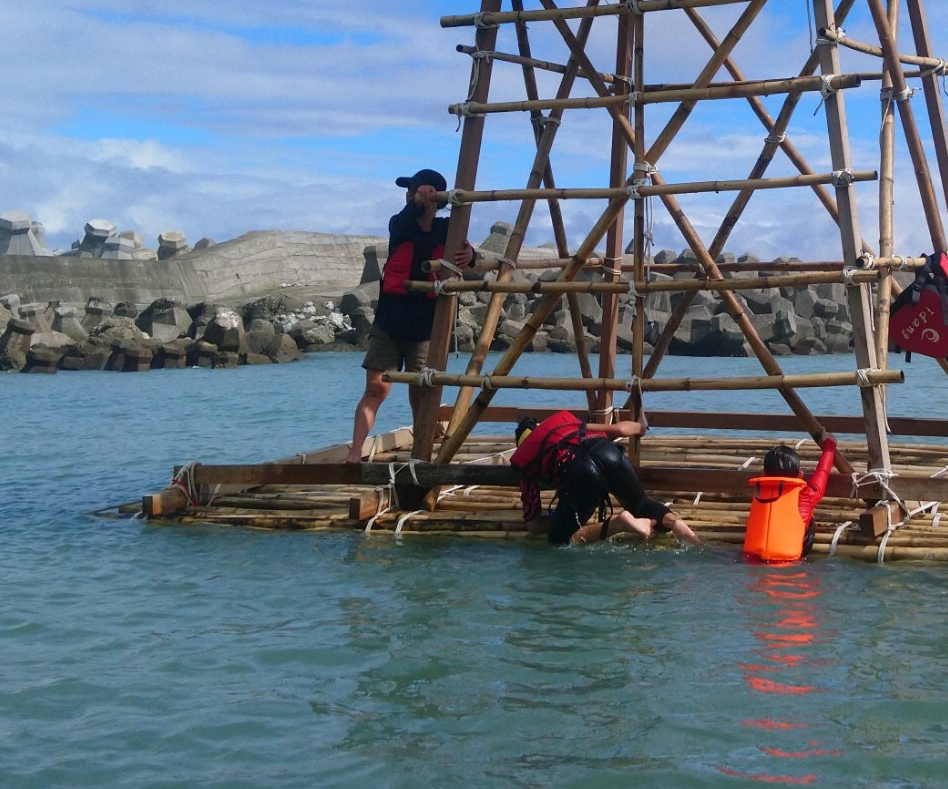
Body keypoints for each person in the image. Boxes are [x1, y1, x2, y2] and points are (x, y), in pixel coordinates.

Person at [348, 169, 473, 465]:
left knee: (421, 392)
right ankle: (355, 452)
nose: (409, 195)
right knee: (376, 387)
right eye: (411, 192)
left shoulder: (447, 228)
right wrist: (417, 202)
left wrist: (473, 257)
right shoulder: (400, 223)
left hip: (426, 327)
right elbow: (406, 218)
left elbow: (466, 253)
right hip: (389, 322)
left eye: (416, 191)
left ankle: (421, 449)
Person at [511, 409, 700, 548]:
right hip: (607, 451)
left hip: (580, 470)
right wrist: (640, 427)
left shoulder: (526, 460)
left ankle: (619, 523)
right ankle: (672, 522)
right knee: (641, 503)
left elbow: (534, 525)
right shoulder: (565, 426)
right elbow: (620, 430)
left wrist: (559, 520)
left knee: (559, 539)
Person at [742, 435, 844, 564]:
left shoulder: (758, 493)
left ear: (763, 474)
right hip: (791, 566)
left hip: (750, 563)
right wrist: (830, 443)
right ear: (800, 475)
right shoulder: (806, 496)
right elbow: (823, 471)